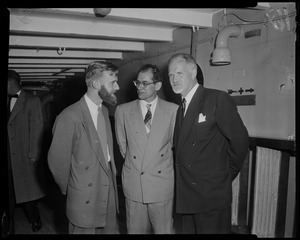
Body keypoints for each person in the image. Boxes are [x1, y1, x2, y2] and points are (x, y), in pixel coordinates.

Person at [168, 53, 249, 234]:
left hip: (211, 197)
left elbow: (241, 142)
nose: (174, 80)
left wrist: (223, 176)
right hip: (187, 197)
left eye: (179, 74)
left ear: (193, 71)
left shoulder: (217, 99)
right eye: (171, 75)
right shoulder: (182, 107)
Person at [47, 61, 120, 234]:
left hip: (107, 188)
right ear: (96, 84)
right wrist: (74, 189)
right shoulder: (69, 116)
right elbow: (58, 164)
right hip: (84, 195)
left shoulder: (103, 111)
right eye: (112, 82)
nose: (117, 87)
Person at [114, 64, 178, 234]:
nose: (139, 87)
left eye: (144, 83)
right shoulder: (123, 111)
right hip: (135, 184)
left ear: (157, 86)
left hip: (161, 186)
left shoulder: (173, 111)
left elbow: (174, 146)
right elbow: (123, 146)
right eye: (137, 83)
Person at [7, 69, 46, 233]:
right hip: (9, 156)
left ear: (11, 82)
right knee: (9, 193)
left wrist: (34, 155)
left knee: (28, 195)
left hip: (24, 155)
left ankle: (35, 219)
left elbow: (37, 129)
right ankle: (8, 226)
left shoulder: (32, 100)